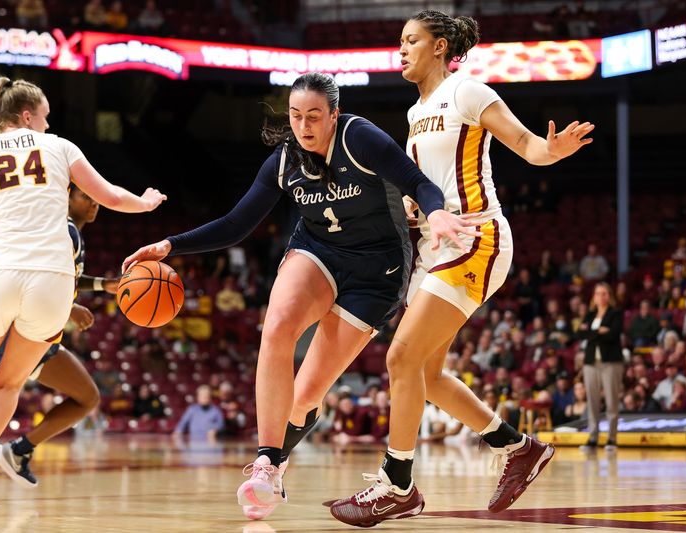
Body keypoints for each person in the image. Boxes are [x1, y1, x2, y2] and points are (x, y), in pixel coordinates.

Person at [122, 72, 480, 520]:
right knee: (277, 328)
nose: (304, 125)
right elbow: (236, 224)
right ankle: (268, 462)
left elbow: (417, 181)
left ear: (333, 114)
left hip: (377, 271)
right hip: (319, 252)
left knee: (307, 394)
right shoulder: (283, 161)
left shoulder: (360, 138)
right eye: (295, 116)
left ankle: (280, 455)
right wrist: (169, 245)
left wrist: (437, 211)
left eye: (314, 116)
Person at [330, 10, 593, 527]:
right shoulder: (415, 112)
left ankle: (397, 484)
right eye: (400, 40)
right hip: (435, 246)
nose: (401, 49)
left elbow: (524, 144)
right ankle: (517, 447)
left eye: (411, 40)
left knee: (400, 358)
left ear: (439, 45)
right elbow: (424, 187)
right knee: (425, 373)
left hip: (477, 238)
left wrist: (551, 151)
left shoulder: (469, 91)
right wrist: (410, 205)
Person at [0, 76, 165, 506]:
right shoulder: (61, 147)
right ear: (28, 115)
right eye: (46, 118)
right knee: (8, 387)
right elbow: (108, 196)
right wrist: (144, 201)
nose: (49, 126)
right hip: (53, 282)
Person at [0, 185, 122, 487]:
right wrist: (70, 307)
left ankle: (19, 450)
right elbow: (39, 278)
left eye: (96, 198)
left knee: (87, 397)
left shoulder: (71, 232)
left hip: (39, 333)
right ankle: (10, 453)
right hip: (19, 330)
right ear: (67, 197)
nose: (94, 203)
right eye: (86, 197)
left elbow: (65, 278)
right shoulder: (61, 230)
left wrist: (102, 285)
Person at [576, 282, 623, 451]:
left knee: (611, 401)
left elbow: (613, 334)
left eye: (604, 293)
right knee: (593, 401)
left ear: (609, 296)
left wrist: (591, 333)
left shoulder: (616, 313)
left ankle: (612, 438)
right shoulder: (590, 314)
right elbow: (580, 333)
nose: (601, 296)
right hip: (590, 363)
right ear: (594, 297)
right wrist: (598, 332)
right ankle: (593, 436)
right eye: (598, 293)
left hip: (610, 362)